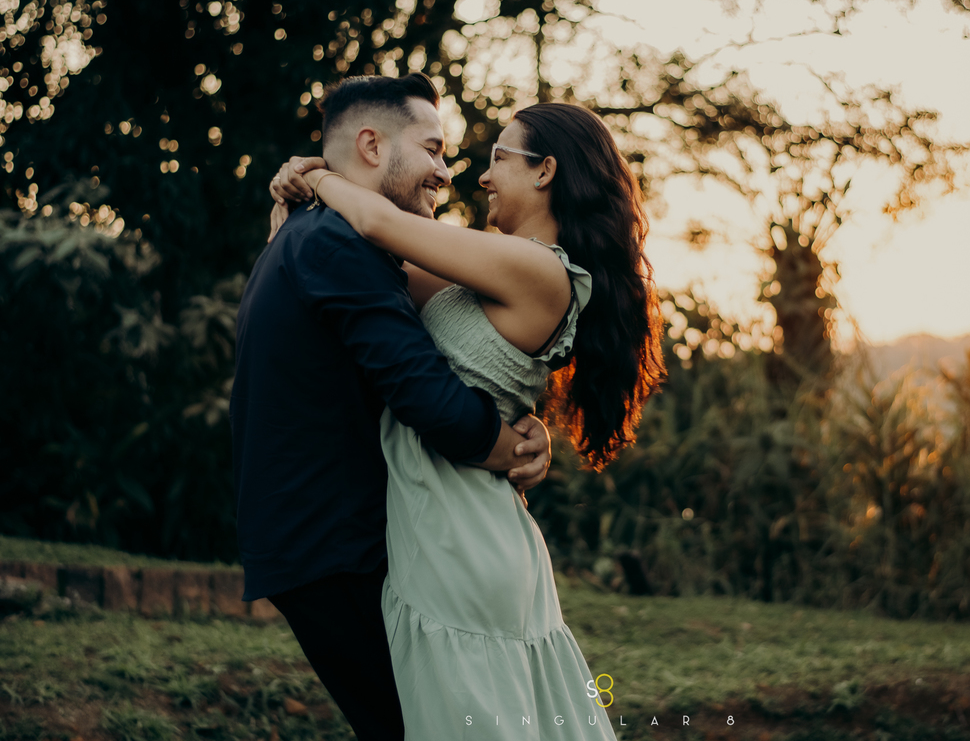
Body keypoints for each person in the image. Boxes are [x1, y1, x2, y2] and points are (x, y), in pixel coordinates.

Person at [269, 99, 667, 739]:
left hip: (458, 535)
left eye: (498, 160)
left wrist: (313, 173)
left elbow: (373, 223)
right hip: (456, 520)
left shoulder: (535, 267)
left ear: (545, 173)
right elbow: (379, 273)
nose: (480, 177)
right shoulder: (493, 268)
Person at [232, 72, 553, 741]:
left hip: (321, 545)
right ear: (373, 147)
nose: (444, 169)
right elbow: (424, 393)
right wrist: (509, 447)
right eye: (433, 149)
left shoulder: (313, 237)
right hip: (337, 549)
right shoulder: (336, 245)